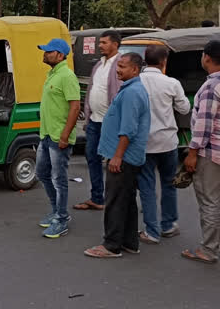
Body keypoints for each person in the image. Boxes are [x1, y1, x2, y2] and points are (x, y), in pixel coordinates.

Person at [84, 53, 150, 258]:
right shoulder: (130, 89)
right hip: (126, 156)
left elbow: (128, 129)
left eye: (122, 66)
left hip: (124, 157)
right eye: (118, 66)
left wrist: (117, 156)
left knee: (114, 200)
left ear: (135, 70)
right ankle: (129, 241)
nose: (118, 70)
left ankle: (112, 245)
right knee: (127, 199)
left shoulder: (132, 92)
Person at [138, 45, 191, 244]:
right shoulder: (171, 83)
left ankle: (151, 231)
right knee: (169, 184)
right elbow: (185, 108)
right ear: (164, 62)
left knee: (147, 187)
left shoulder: (136, 82)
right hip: (167, 142)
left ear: (145, 59)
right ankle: (168, 225)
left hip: (143, 143)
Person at [181, 40, 220, 264]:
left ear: (207, 57)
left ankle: (208, 250)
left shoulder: (211, 87)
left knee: (210, 202)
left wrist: (192, 153)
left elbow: (203, 126)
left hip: (212, 154)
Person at [36, 38, 81, 239]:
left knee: (58, 179)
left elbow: (75, 106)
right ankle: (57, 211)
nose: (45, 54)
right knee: (42, 174)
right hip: (46, 135)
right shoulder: (52, 74)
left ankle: (61, 219)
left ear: (60, 55)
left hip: (58, 138)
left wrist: (64, 136)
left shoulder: (67, 76)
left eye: (49, 51)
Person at [75, 30, 122, 212]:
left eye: (104, 42)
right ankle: (97, 198)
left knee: (114, 164)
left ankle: (118, 199)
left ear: (115, 44)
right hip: (94, 121)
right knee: (92, 158)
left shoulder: (120, 64)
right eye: (99, 42)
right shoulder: (98, 65)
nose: (99, 45)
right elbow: (91, 91)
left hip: (110, 124)